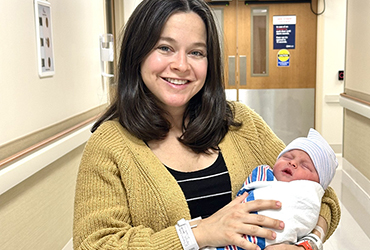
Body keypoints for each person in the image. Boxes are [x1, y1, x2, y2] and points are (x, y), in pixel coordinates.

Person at [73, 0, 340, 250]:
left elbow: (324, 198)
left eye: (196, 52)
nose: (181, 65)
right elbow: (95, 244)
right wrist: (198, 232)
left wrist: (307, 244)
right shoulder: (110, 144)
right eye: (165, 47)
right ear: (138, 53)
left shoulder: (241, 124)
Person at [204, 128, 338, 250]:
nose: (292, 162)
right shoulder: (264, 176)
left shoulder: (247, 125)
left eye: (305, 166)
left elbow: (327, 198)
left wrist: (308, 245)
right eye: (287, 157)